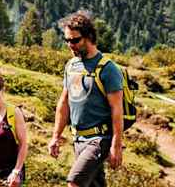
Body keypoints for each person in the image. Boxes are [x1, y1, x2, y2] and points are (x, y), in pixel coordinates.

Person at [48, 10, 124, 187]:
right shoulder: (71, 66)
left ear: (89, 37)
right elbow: (64, 103)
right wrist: (55, 136)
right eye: (67, 40)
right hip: (78, 139)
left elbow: (117, 109)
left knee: (74, 182)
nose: (70, 45)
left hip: (99, 139)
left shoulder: (108, 69)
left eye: (75, 40)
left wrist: (116, 145)